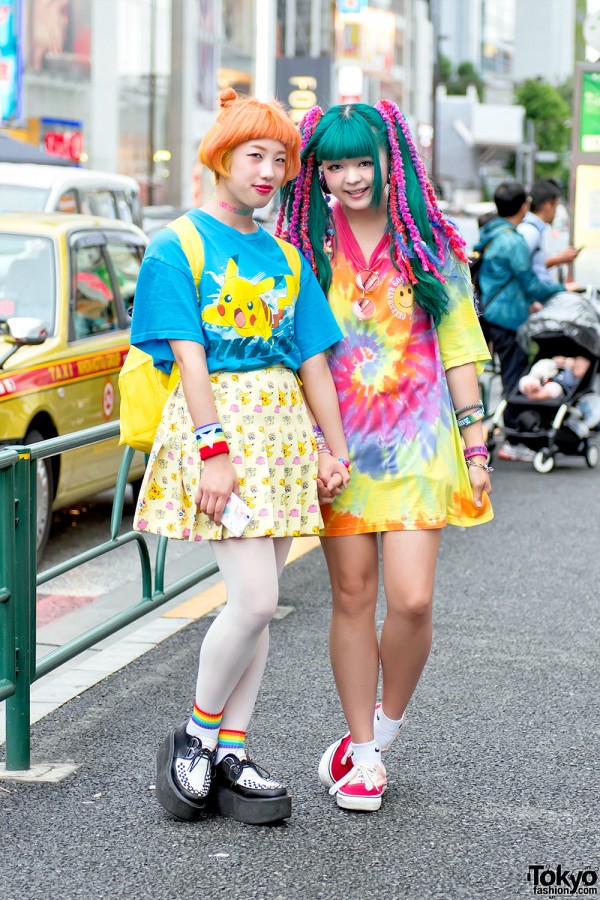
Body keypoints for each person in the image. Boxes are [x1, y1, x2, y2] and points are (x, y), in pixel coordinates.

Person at [130, 88, 351, 825]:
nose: (270, 170)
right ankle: (195, 736)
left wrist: (333, 448)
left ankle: (231, 750)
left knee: (256, 609)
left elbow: (313, 359)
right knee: (256, 599)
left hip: (284, 436)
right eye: (255, 154)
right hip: (221, 428)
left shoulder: (286, 255)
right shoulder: (177, 246)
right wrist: (212, 453)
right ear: (221, 155)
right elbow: (189, 358)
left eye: (281, 158)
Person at [277, 101, 493, 813]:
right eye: (333, 164)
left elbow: (459, 348)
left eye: (361, 160)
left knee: (412, 598)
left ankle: (384, 728)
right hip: (337, 451)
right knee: (351, 596)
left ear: (389, 158)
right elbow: (290, 354)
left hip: (418, 448)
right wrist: (308, 444)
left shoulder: (429, 241)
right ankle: (362, 752)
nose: (348, 177)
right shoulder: (303, 247)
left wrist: (475, 440)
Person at [474, 182, 575, 461]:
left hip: (486, 313)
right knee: (513, 378)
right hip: (507, 318)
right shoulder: (513, 240)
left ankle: (483, 434)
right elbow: (530, 284)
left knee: (481, 375)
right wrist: (562, 290)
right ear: (524, 206)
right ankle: (514, 439)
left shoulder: (489, 232)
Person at [517, 180, 580, 287]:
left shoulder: (539, 228)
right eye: (556, 206)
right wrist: (558, 259)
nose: (555, 212)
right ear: (548, 206)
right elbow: (522, 268)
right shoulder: (529, 231)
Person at [518, 355, 590, 400]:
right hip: (546, 379)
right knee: (538, 370)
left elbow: (584, 363)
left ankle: (535, 395)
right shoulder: (548, 368)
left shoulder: (572, 376)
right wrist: (557, 362)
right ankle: (530, 388)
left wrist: (567, 362)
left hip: (561, 389)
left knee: (554, 388)